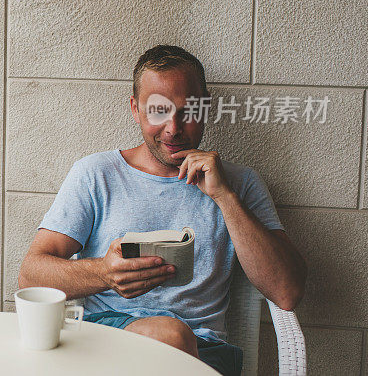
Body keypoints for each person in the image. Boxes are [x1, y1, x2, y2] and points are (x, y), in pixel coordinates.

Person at [17, 45, 307, 376]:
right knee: (166, 334)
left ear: (205, 107)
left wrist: (224, 197)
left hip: (202, 354)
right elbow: (31, 273)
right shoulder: (96, 174)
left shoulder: (239, 184)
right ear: (136, 109)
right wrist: (105, 274)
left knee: (170, 335)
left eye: (186, 112)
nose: (172, 129)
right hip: (105, 343)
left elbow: (287, 292)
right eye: (158, 111)